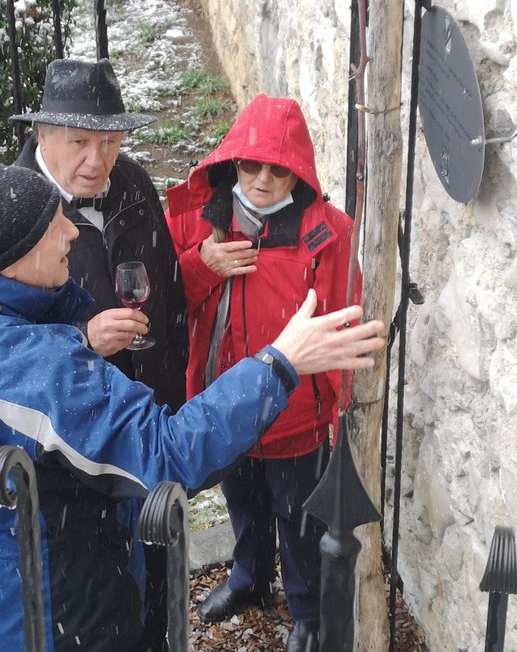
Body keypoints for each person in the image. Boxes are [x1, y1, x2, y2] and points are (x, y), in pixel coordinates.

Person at [0, 162, 384, 652]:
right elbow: (166, 456)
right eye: (53, 227)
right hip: (60, 611)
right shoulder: (36, 373)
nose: (71, 233)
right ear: (13, 258)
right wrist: (280, 365)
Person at [165, 94, 359, 652]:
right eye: (252, 164)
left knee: (299, 518)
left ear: (297, 170)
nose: (264, 179)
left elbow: (344, 315)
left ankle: (306, 611)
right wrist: (205, 263)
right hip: (226, 401)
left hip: (294, 412)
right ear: (233, 162)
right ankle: (249, 578)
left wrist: (331, 400)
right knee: (243, 502)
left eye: (279, 168)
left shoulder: (327, 234)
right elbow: (166, 298)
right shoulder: (201, 220)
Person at [10, 58, 187, 649]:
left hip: (150, 418)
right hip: (75, 449)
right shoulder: (13, 213)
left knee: (162, 563)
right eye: (81, 142)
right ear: (42, 136)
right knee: (102, 601)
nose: (98, 159)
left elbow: (169, 289)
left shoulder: (133, 182)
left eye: (109, 141)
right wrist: (83, 339)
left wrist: (174, 393)